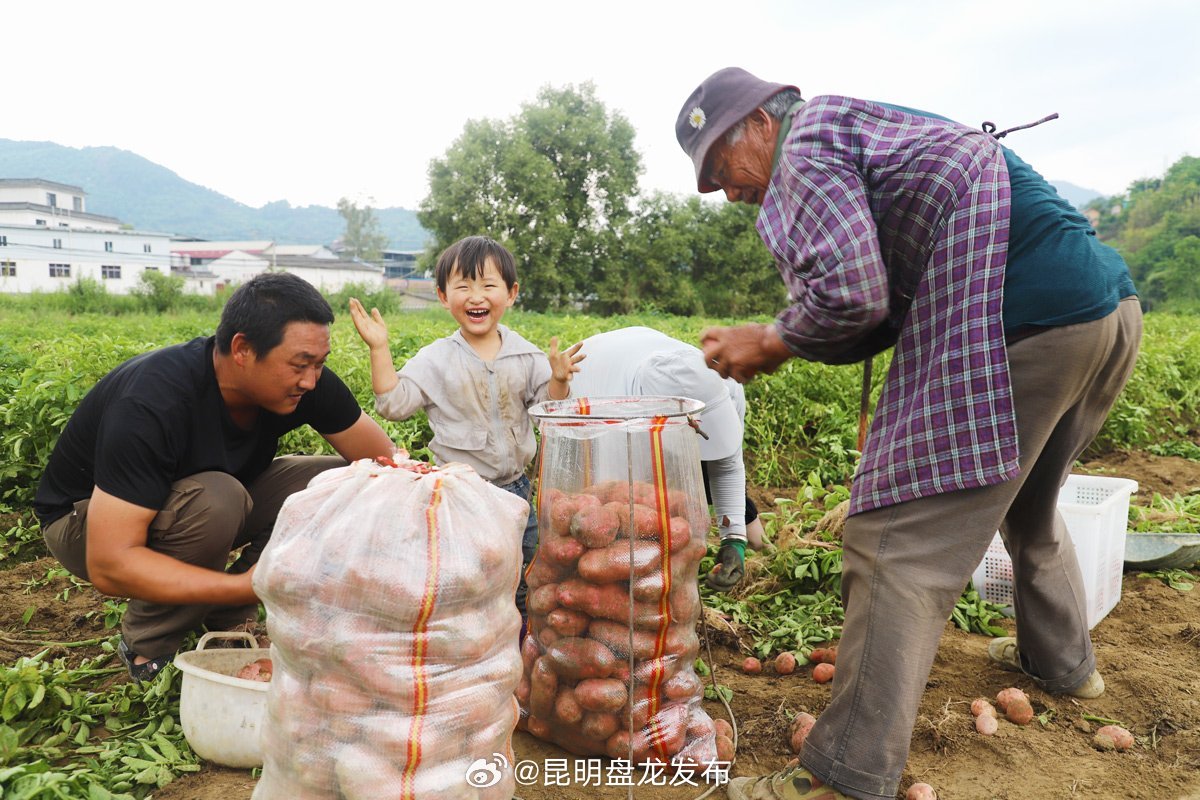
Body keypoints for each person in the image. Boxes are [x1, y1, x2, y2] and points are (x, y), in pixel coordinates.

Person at [675, 67, 1141, 800]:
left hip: (1027, 320)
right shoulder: (863, 130)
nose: (729, 193)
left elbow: (852, 296)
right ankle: (1064, 665)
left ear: (763, 122)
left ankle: (843, 775)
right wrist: (796, 336)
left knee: (893, 544)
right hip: (1105, 315)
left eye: (721, 169)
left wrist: (771, 340)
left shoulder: (808, 140)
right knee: (1026, 506)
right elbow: (878, 307)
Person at [35, 272, 396, 681]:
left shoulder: (306, 384)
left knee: (348, 482)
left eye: (319, 365)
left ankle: (227, 617)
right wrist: (251, 585)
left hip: (201, 503)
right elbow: (110, 565)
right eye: (299, 365)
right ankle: (149, 646)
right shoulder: (153, 402)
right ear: (242, 349)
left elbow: (385, 463)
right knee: (217, 498)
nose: (310, 380)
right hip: (86, 523)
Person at [349, 235, 583, 623]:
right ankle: (467, 652)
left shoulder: (526, 355)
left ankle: (518, 652)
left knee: (523, 578)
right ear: (443, 296)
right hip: (458, 494)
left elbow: (550, 412)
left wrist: (559, 380)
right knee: (463, 580)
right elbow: (394, 404)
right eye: (463, 286)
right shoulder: (436, 360)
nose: (476, 296)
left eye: (488, 285)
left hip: (515, 492)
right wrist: (379, 349)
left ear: (511, 293)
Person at [569, 326, 766, 591]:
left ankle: (750, 539)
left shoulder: (726, 383)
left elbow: (728, 465)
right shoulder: (616, 417)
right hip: (592, 374)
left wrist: (734, 540)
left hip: (640, 352)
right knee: (613, 509)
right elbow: (617, 506)